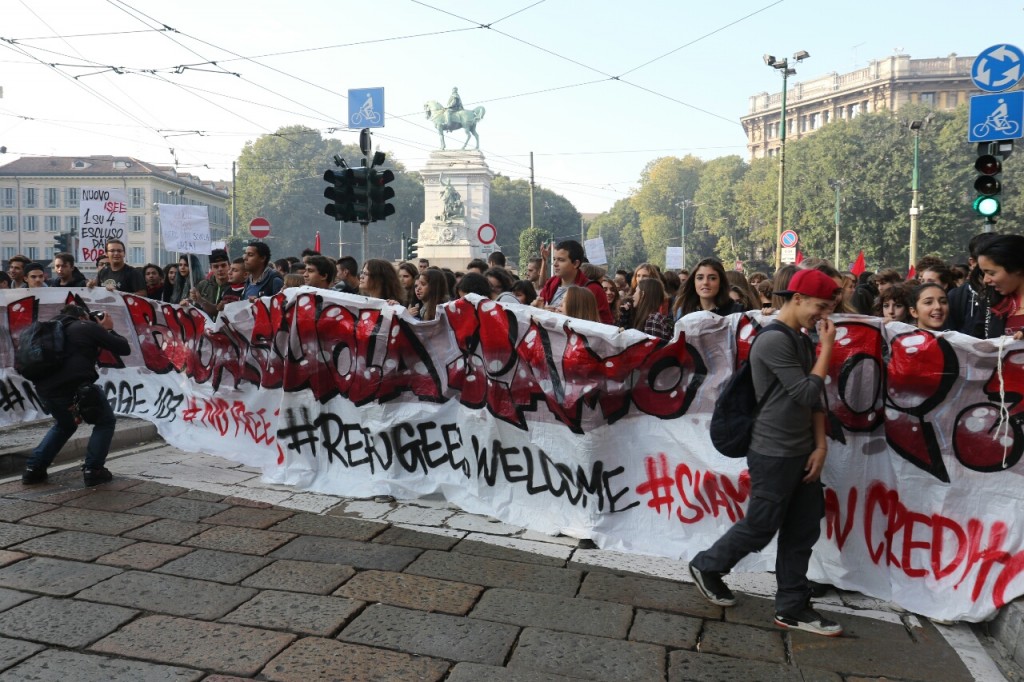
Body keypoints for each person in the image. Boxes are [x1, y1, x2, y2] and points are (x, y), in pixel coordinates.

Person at [689, 268, 841, 637]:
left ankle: (792, 607)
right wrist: (828, 350)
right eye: (819, 306)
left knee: (802, 530)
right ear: (798, 299)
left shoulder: (801, 338)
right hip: (772, 451)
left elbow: (815, 399)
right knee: (761, 525)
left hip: (802, 449)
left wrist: (820, 446)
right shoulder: (774, 341)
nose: (822, 315)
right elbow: (806, 392)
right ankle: (708, 565)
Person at [22, 304, 131, 487]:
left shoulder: (44, 330)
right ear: (82, 316)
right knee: (105, 422)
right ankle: (93, 470)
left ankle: (33, 469)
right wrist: (108, 328)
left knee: (65, 425)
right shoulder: (84, 326)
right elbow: (123, 348)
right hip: (77, 389)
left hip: (45, 391)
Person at [533, 240, 613, 324]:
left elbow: (605, 325)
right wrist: (539, 311)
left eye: (561, 260)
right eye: (554, 259)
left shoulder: (593, 289)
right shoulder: (551, 283)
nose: (555, 264)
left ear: (575, 263)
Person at [977, 234, 1024, 340]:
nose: (986, 280)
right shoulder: (991, 304)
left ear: (1017, 268)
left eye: (991, 273)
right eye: (983, 273)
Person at [673, 257, 742, 319]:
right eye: (700, 278)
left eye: (712, 278)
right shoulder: (684, 312)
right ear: (694, 282)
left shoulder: (736, 312)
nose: (705, 282)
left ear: (721, 282)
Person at [189, 249, 232, 316]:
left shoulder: (235, 286)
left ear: (229, 266)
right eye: (216, 266)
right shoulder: (203, 285)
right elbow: (194, 308)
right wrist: (188, 302)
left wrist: (201, 300)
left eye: (223, 265)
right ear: (211, 268)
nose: (220, 269)